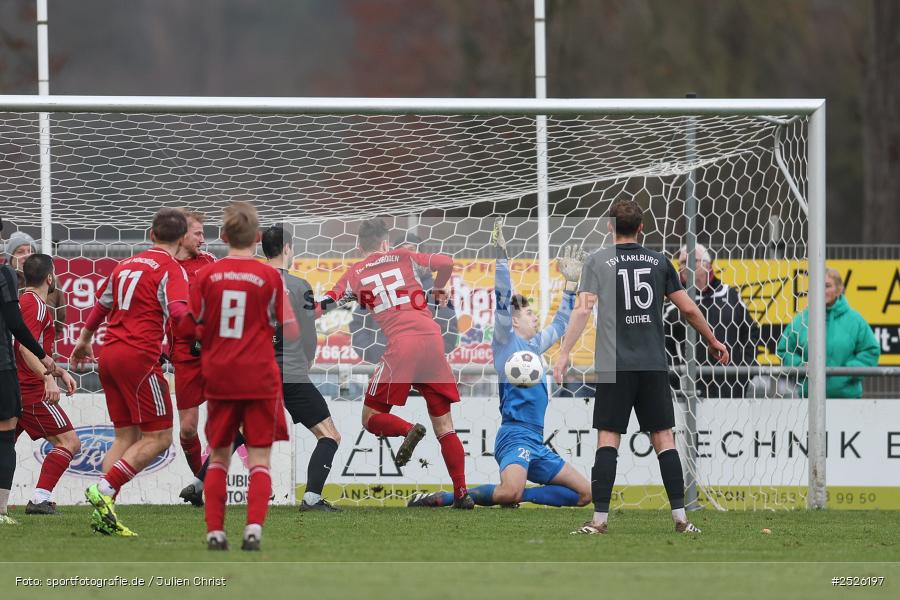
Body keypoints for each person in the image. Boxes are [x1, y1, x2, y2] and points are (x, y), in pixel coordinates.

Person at [553, 199, 729, 535]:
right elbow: (689, 309)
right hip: (652, 364)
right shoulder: (660, 261)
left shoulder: (597, 261)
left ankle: (599, 521)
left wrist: (564, 353)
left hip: (613, 365)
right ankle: (681, 519)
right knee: (664, 438)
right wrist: (713, 339)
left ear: (610, 226)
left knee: (608, 439)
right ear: (641, 228)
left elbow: (582, 310)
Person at [408, 218, 591, 509]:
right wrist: (502, 259)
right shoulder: (506, 342)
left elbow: (560, 323)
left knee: (585, 495)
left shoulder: (536, 345)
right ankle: (444, 498)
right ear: (514, 321)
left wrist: (571, 287)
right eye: (529, 314)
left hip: (536, 439)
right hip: (515, 434)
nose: (535, 318)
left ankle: (522, 494)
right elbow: (503, 298)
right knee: (508, 492)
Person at [182, 224, 342, 512]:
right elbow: (307, 331)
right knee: (329, 434)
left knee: (240, 432)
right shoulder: (298, 285)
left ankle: (198, 483)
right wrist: (308, 358)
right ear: (288, 248)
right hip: (289, 372)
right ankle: (312, 498)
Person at [320, 218, 473, 509]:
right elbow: (446, 262)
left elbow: (324, 305)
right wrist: (438, 288)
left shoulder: (355, 274)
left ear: (359, 247)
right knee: (445, 425)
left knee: (370, 417)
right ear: (386, 242)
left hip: (402, 345)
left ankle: (408, 429)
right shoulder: (403, 256)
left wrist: (298, 314)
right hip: (432, 339)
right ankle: (462, 493)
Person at [71, 208, 194, 537]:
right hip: (139, 360)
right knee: (160, 437)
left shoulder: (124, 265)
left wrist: (83, 340)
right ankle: (104, 489)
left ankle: (105, 513)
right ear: (182, 238)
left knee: (126, 437)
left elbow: (102, 305)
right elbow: (179, 313)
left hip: (109, 355)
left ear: (151, 234)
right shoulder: (171, 269)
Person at [189, 202, 298, 551]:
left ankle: (215, 533)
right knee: (260, 460)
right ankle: (253, 530)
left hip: (220, 375)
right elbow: (292, 330)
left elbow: (193, 327)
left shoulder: (206, 276)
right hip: (260, 376)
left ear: (223, 236)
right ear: (257, 238)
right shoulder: (270, 277)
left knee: (219, 457)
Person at [0, 218, 58, 525]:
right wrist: (45, 368)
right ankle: (21, 503)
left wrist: (56, 370)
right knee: (6, 435)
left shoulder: (34, 299)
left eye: (27, 251)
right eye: (18, 251)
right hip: (15, 376)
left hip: (18, 376)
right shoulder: (16, 286)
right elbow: (19, 336)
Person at [14, 254, 79, 515]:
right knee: (69, 442)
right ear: (49, 278)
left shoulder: (23, 302)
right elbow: (24, 348)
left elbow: (31, 350)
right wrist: (47, 378)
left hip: (16, 385)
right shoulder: (36, 306)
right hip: (30, 390)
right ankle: (40, 498)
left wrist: (59, 372)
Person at [664, 244, 759, 398]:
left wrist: (745, 372)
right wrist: (675, 378)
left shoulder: (730, 295)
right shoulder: (673, 303)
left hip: (731, 388)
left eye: (692, 261)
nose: (685, 266)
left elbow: (750, 333)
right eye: (681, 262)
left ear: (708, 265)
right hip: (691, 391)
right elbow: (665, 345)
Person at [168, 210, 217, 487]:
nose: (203, 239)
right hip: (185, 354)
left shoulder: (209, 262)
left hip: (216, 352)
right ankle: (202, 485)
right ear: (182, 235)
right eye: (198, 233)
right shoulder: (165, 265)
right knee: (187, 429)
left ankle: (259, 481)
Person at [776, 267, 880, 398]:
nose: (822, 290)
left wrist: (847, 372)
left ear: (839, 289)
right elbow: (784, 350)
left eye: (827, 286)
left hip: (848, 401)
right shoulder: (801, 320)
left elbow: (871, 350)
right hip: (809, 400)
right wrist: (801, 366)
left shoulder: (855, 321)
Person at [5, 231, 67, 344]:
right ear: (10, 257)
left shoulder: (50, 280)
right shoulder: (4, 282)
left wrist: (50, 341)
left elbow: (60, 315)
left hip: (43, 347)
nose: (26, 255)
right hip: (10, 348)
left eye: (31, 251)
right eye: (20, 252)